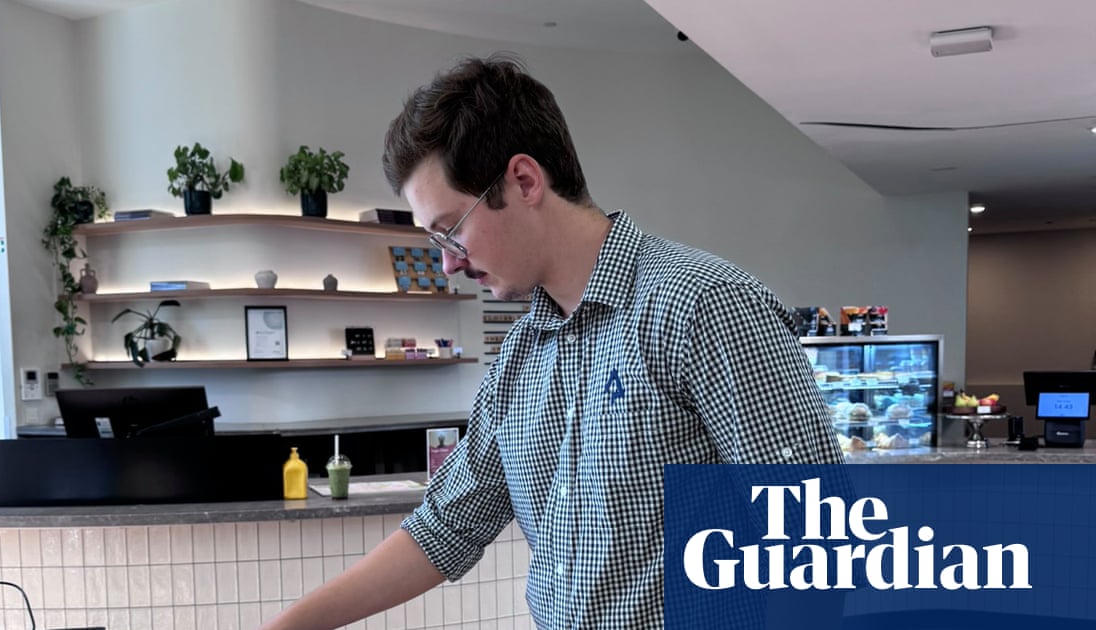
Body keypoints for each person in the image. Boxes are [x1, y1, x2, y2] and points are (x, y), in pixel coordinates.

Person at [260, 53, 843, 630]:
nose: (448, 265)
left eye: (451, 230)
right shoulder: (518, 358)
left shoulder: (704, 305)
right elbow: (445, 528)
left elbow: (815, 543)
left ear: (524, 181)